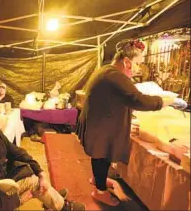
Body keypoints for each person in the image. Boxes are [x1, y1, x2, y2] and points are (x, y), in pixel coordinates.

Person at [76, 39, 187, 206]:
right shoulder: (115, 76)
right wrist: (167, 101)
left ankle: (98, 179)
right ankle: (99, 191)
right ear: (127, 62)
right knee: (102, 154)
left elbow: (120, 98)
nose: (138, 69)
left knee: (101, 153)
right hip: (100, 124)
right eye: (137, 64)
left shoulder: (107, 71)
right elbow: (139, 100)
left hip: (99, 121)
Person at [0, 101, 86, 211]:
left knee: (32, 171)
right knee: (34, 182)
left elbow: (17, 152)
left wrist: (41, 171)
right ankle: (61, 206)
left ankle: (51, 198)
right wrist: (19, 200)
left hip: (2, 182)